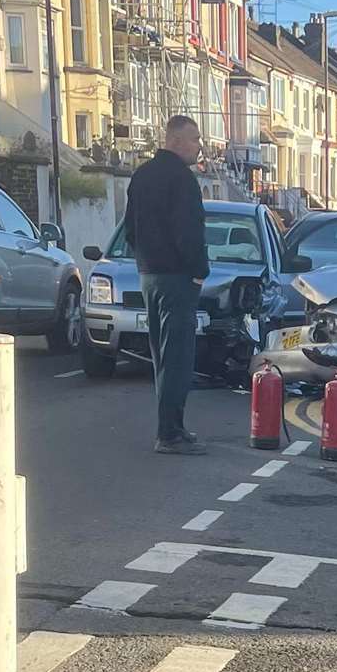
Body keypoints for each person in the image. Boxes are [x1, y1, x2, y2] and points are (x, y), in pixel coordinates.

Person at [124, 116, 210, 455]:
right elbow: (188, 232)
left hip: (149, 275)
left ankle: (172, 427)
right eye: (194, 138)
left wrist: (144, 260)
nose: (199, 145)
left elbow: (130, 228)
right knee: (178, 357)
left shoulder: (141, 176)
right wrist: (199, 271)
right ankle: (170, 434)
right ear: (174, 141)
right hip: (177, 278)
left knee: (161, 355)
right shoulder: (182, 180)